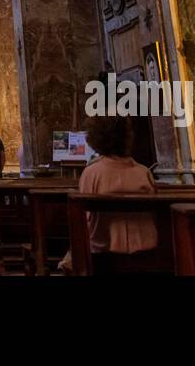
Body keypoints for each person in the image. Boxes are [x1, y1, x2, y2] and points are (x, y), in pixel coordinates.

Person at [60, 116, 157, 273]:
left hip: (103, 253)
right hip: (145, 248)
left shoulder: (91, 173)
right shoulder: (144, 172)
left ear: (95, 138)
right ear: (127, 136)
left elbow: (86, 218)